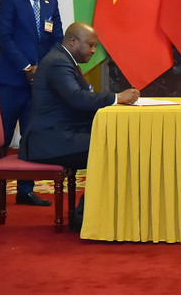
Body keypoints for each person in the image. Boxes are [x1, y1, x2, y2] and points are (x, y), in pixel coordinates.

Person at [18, 22, 139, 231]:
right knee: (110, 147)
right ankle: (84, 216)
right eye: (91, 45)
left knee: (112, 141)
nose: (93, 51)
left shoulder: (64, 59)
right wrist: (117, 97)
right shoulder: (58, 63)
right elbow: (76, 99)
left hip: (61, 133)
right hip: (49, 140)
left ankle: (98, 212)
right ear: (73, 41)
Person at [0, 0, 63, 207]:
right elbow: (5, 38)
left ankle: (25, 191)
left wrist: (40, 69)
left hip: (37, 84)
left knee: (31, 136)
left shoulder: (51, 3)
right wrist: (26, 67)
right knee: (2, 136)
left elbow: (58, 40)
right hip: (10, 81)